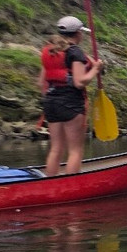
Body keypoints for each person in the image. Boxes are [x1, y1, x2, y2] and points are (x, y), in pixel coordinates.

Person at [38, 15, 103, 176]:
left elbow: (41, 83)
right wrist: (96, 69)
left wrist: (53, 99)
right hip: (71, 104)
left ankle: (50, 186)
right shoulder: (75, 53)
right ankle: (71, 186)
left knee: (56, 149)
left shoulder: (50, 51)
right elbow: (80, 82)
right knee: (75, 150)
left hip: (51, 103)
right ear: (78, 33)